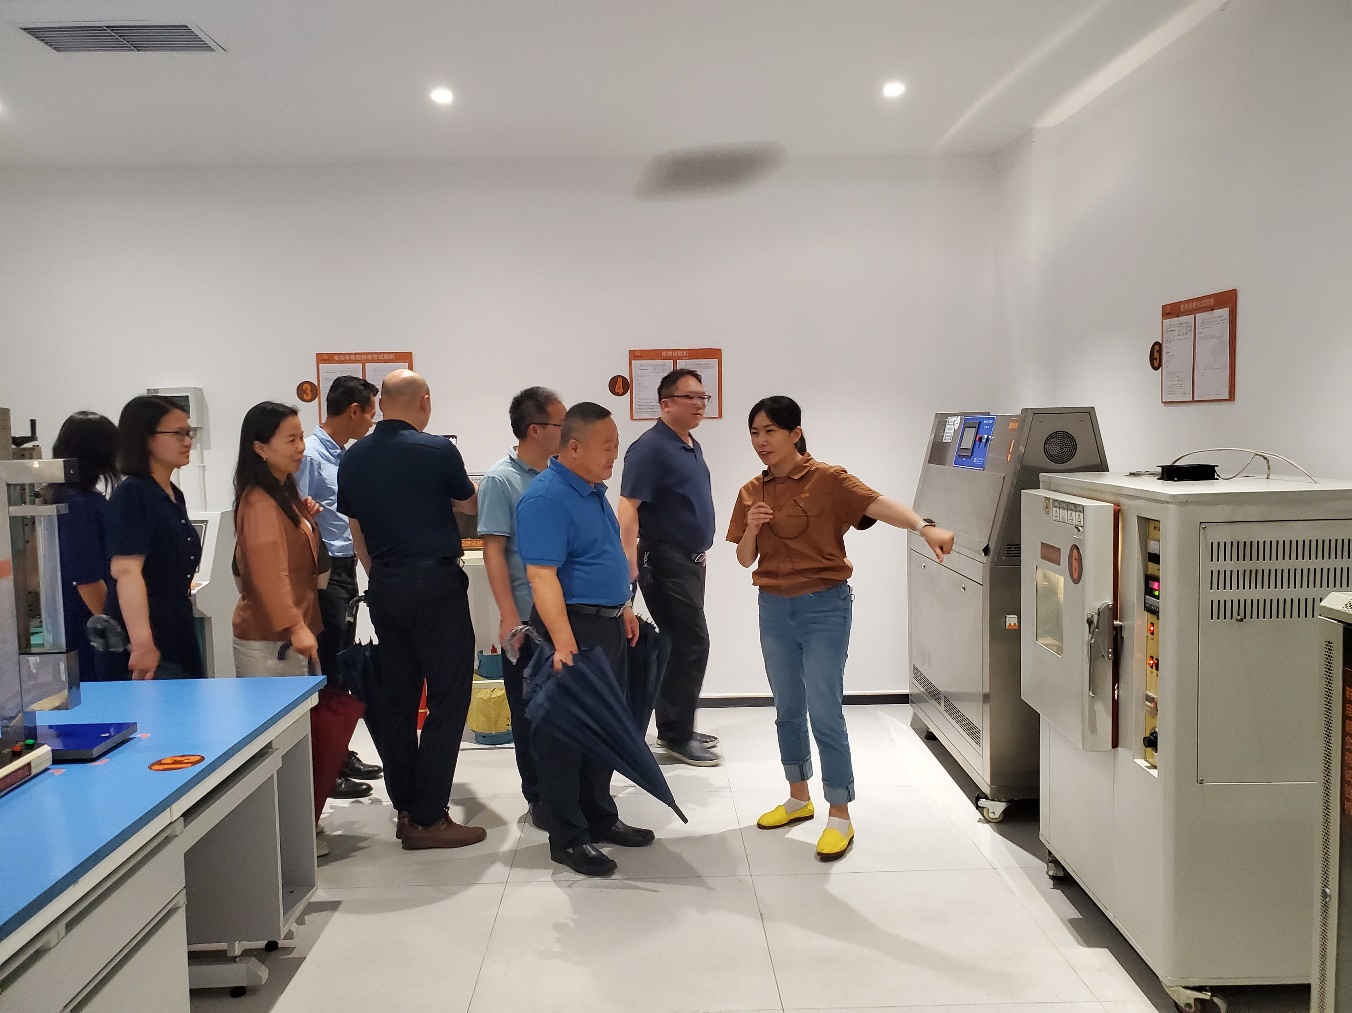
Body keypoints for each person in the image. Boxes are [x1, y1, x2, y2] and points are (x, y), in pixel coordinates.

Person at [726, 396, 955, 861]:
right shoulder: (752, 490)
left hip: (823, 608)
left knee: (824, 708)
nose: (760, 441)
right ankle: (798, 797)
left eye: (770, 431)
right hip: (773, 608)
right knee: (787, 707)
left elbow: (877, 504)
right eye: (754, 433)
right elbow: (744, 558)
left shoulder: (828, 479)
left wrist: (923, 526)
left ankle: (839, 813)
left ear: (795, 433)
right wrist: (750, 528)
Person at [336, 370, 486, 851]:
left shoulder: (353, 457)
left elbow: (357, 531)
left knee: (398, 699)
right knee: (448, 695)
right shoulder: (437, 450)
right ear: (424, 401)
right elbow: (469, 504)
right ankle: (430, 816)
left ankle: (405, 808)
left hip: (384, 584)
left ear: (381, 403)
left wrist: (379, 575)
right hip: (436, 585)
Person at [516, 402, 654, 877]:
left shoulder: (592, 490)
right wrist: (561, 642)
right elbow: (542, 576)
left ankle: (600, 817)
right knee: (564, 737)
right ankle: (569, 838)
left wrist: (624, 607)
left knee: (603, 728)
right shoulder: (546, 498)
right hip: (571, 628)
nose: (615, 454)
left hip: (607, 626)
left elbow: (604, 556)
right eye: (607, 446)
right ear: (573, 448)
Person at [619, 368, 720, 766]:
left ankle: (676, 726)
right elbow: (628, 506)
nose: (700, 404)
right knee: (691, 642)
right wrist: (629, 561)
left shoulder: (689, 444)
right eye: (690, 397)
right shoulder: (650, 448)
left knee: (681, 644)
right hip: (663, 560)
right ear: (665, 403)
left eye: (703, 397)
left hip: (689, 561)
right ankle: (677, 735)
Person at [477, 386, 565, 822]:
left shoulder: (562, 473)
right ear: (536, 429)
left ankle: (568, 793)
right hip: (528, 616)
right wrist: (509, 616)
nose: (568, 431)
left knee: (565, 709)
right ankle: (539, 796)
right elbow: (494, 550)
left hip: (565, 611)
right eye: (561, 424)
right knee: (530, 710)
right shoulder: (501, 480)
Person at [296, 375, 384, 799]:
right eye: (370, 413)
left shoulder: (343, 456)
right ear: (353, 410)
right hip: (324, 571)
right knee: (329, 663)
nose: (371, 421)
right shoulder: (312, 456)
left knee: (342, 663)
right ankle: (324, 770)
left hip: (344, 567)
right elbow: (296, 515)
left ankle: (339, 753)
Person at [104, 396, 204, 681]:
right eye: (178, 433)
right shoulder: (133, 494)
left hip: (177, 621)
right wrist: (142, 643)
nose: (187, 441)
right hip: (145, 628)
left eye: (189, 433)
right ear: (146, 438)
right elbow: (126, 572)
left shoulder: (172, 494)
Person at [230, 402, 323, 678]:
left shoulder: (282, 492)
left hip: (286, 637)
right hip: (272, 641)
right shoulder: (260, 503)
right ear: (261, 448)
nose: (301, 447)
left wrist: (303, 518)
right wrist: (295, 626)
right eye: (291, 440)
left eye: (301, 437)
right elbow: (269, 573)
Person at [50, 412, 119, 683]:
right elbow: (87, 579)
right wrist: (116, 632)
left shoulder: (73, 498)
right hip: (89, 627)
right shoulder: (79, 505)